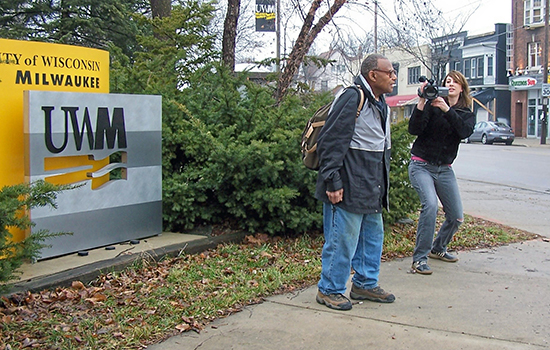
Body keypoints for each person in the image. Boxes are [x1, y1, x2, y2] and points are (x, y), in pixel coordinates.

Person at [314, 53, 395, 311]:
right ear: (373, 75)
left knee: (372, 238)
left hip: (371, 185)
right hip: (348, 183)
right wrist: (332, 181)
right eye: (390, 72)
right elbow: (330, 141)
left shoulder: (381, 103)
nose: (394, 77)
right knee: (342, 240)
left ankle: (365, 283)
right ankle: (329, 289)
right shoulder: (353, 96)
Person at [408, 70, 475, 275]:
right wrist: (422, 102)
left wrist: (447, 109)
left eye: (455, 82)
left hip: (445, 169)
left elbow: (463, 131)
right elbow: (414, 129)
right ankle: (419, 259)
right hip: (421, 165)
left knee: (456, 216)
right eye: (447, 81)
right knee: (430, 207)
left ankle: (438, 248)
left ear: (461, 88)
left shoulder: (466, 113)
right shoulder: (432, 106)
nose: (451, 84)